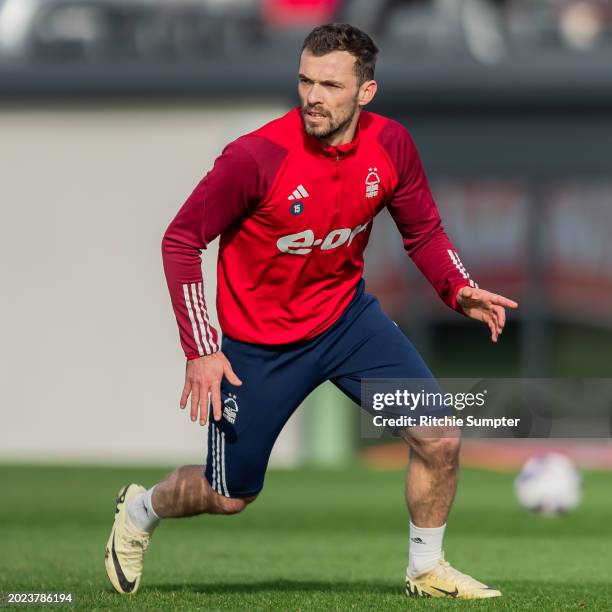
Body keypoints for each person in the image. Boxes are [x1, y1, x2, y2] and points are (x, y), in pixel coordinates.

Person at [104, 23, 517, 599]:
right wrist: (202, 349)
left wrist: (458, 287)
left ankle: (426, 570)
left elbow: (422, 231)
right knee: (229, 496)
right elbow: (180, 241)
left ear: (365, 92)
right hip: (258, 348)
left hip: (348, 324)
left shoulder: (391, 144)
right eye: (305, 81)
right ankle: (141, 510)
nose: (313, 97)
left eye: (329, 84)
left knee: (439, 436)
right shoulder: (255, 157)